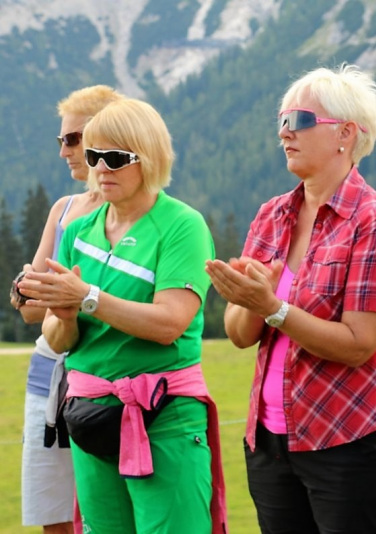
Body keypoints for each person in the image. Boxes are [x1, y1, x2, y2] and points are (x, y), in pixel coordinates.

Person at [205, 64, 376, 534]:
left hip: (350, 437)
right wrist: (245, 300)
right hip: (270, 441)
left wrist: (273, 308)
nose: (284, 134)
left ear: (345, 133)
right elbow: (240, 336)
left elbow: (360, 343)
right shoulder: (272, 215)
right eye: (280, 121)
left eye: (299, 120)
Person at [19, 97, 226, 533]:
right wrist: (67, 313)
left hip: (163, 416)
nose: (101, 168)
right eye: (94, 156)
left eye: (115, 158)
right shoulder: (77, 230)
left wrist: (88, 297)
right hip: (90, 419)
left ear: (148, 158)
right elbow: (58, 338)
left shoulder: (182, 225)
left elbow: (171, 323)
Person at [10, 84, 122, 534]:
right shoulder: (64, 209)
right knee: (53, 516)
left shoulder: (136, 213)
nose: (64, 151)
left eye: (73, 139)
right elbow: (29, 308)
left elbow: (38, 296)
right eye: (61, 140)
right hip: (47, 379)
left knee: (109, 514)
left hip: (103, 381)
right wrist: (34, 292)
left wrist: (55, 294)